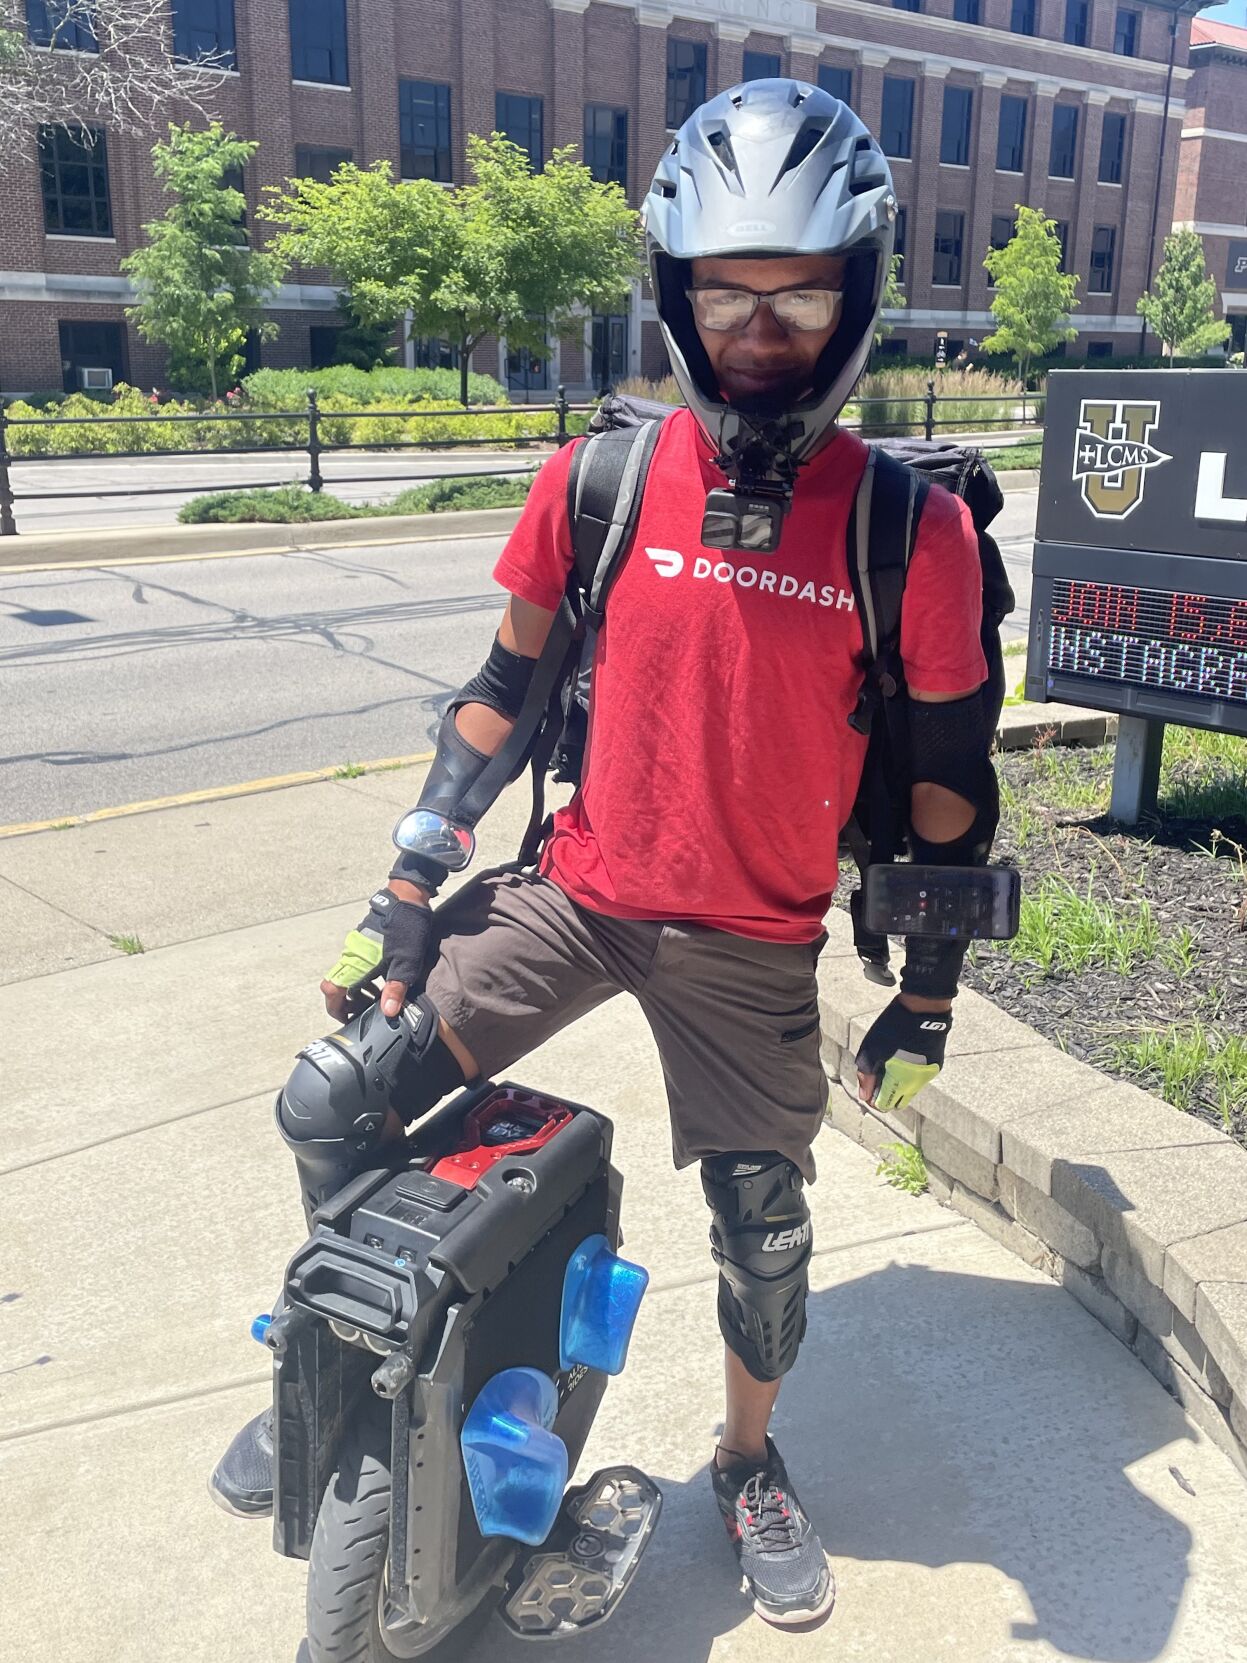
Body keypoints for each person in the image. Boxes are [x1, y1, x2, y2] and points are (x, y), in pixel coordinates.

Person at [210, 79, 992, 1629]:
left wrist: (932, 993)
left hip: (752, 939)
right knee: (333, 1093)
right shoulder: (600, 479)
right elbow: (499, 693)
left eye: (799, 295)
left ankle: (749, 1462)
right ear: (677, 298)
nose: (760, 329)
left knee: (764, 1226)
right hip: (577, 893)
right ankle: (355, 1354)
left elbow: (952, 791)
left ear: (857, 302)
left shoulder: (913, 531)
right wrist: (409, 890)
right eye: (727, 294)